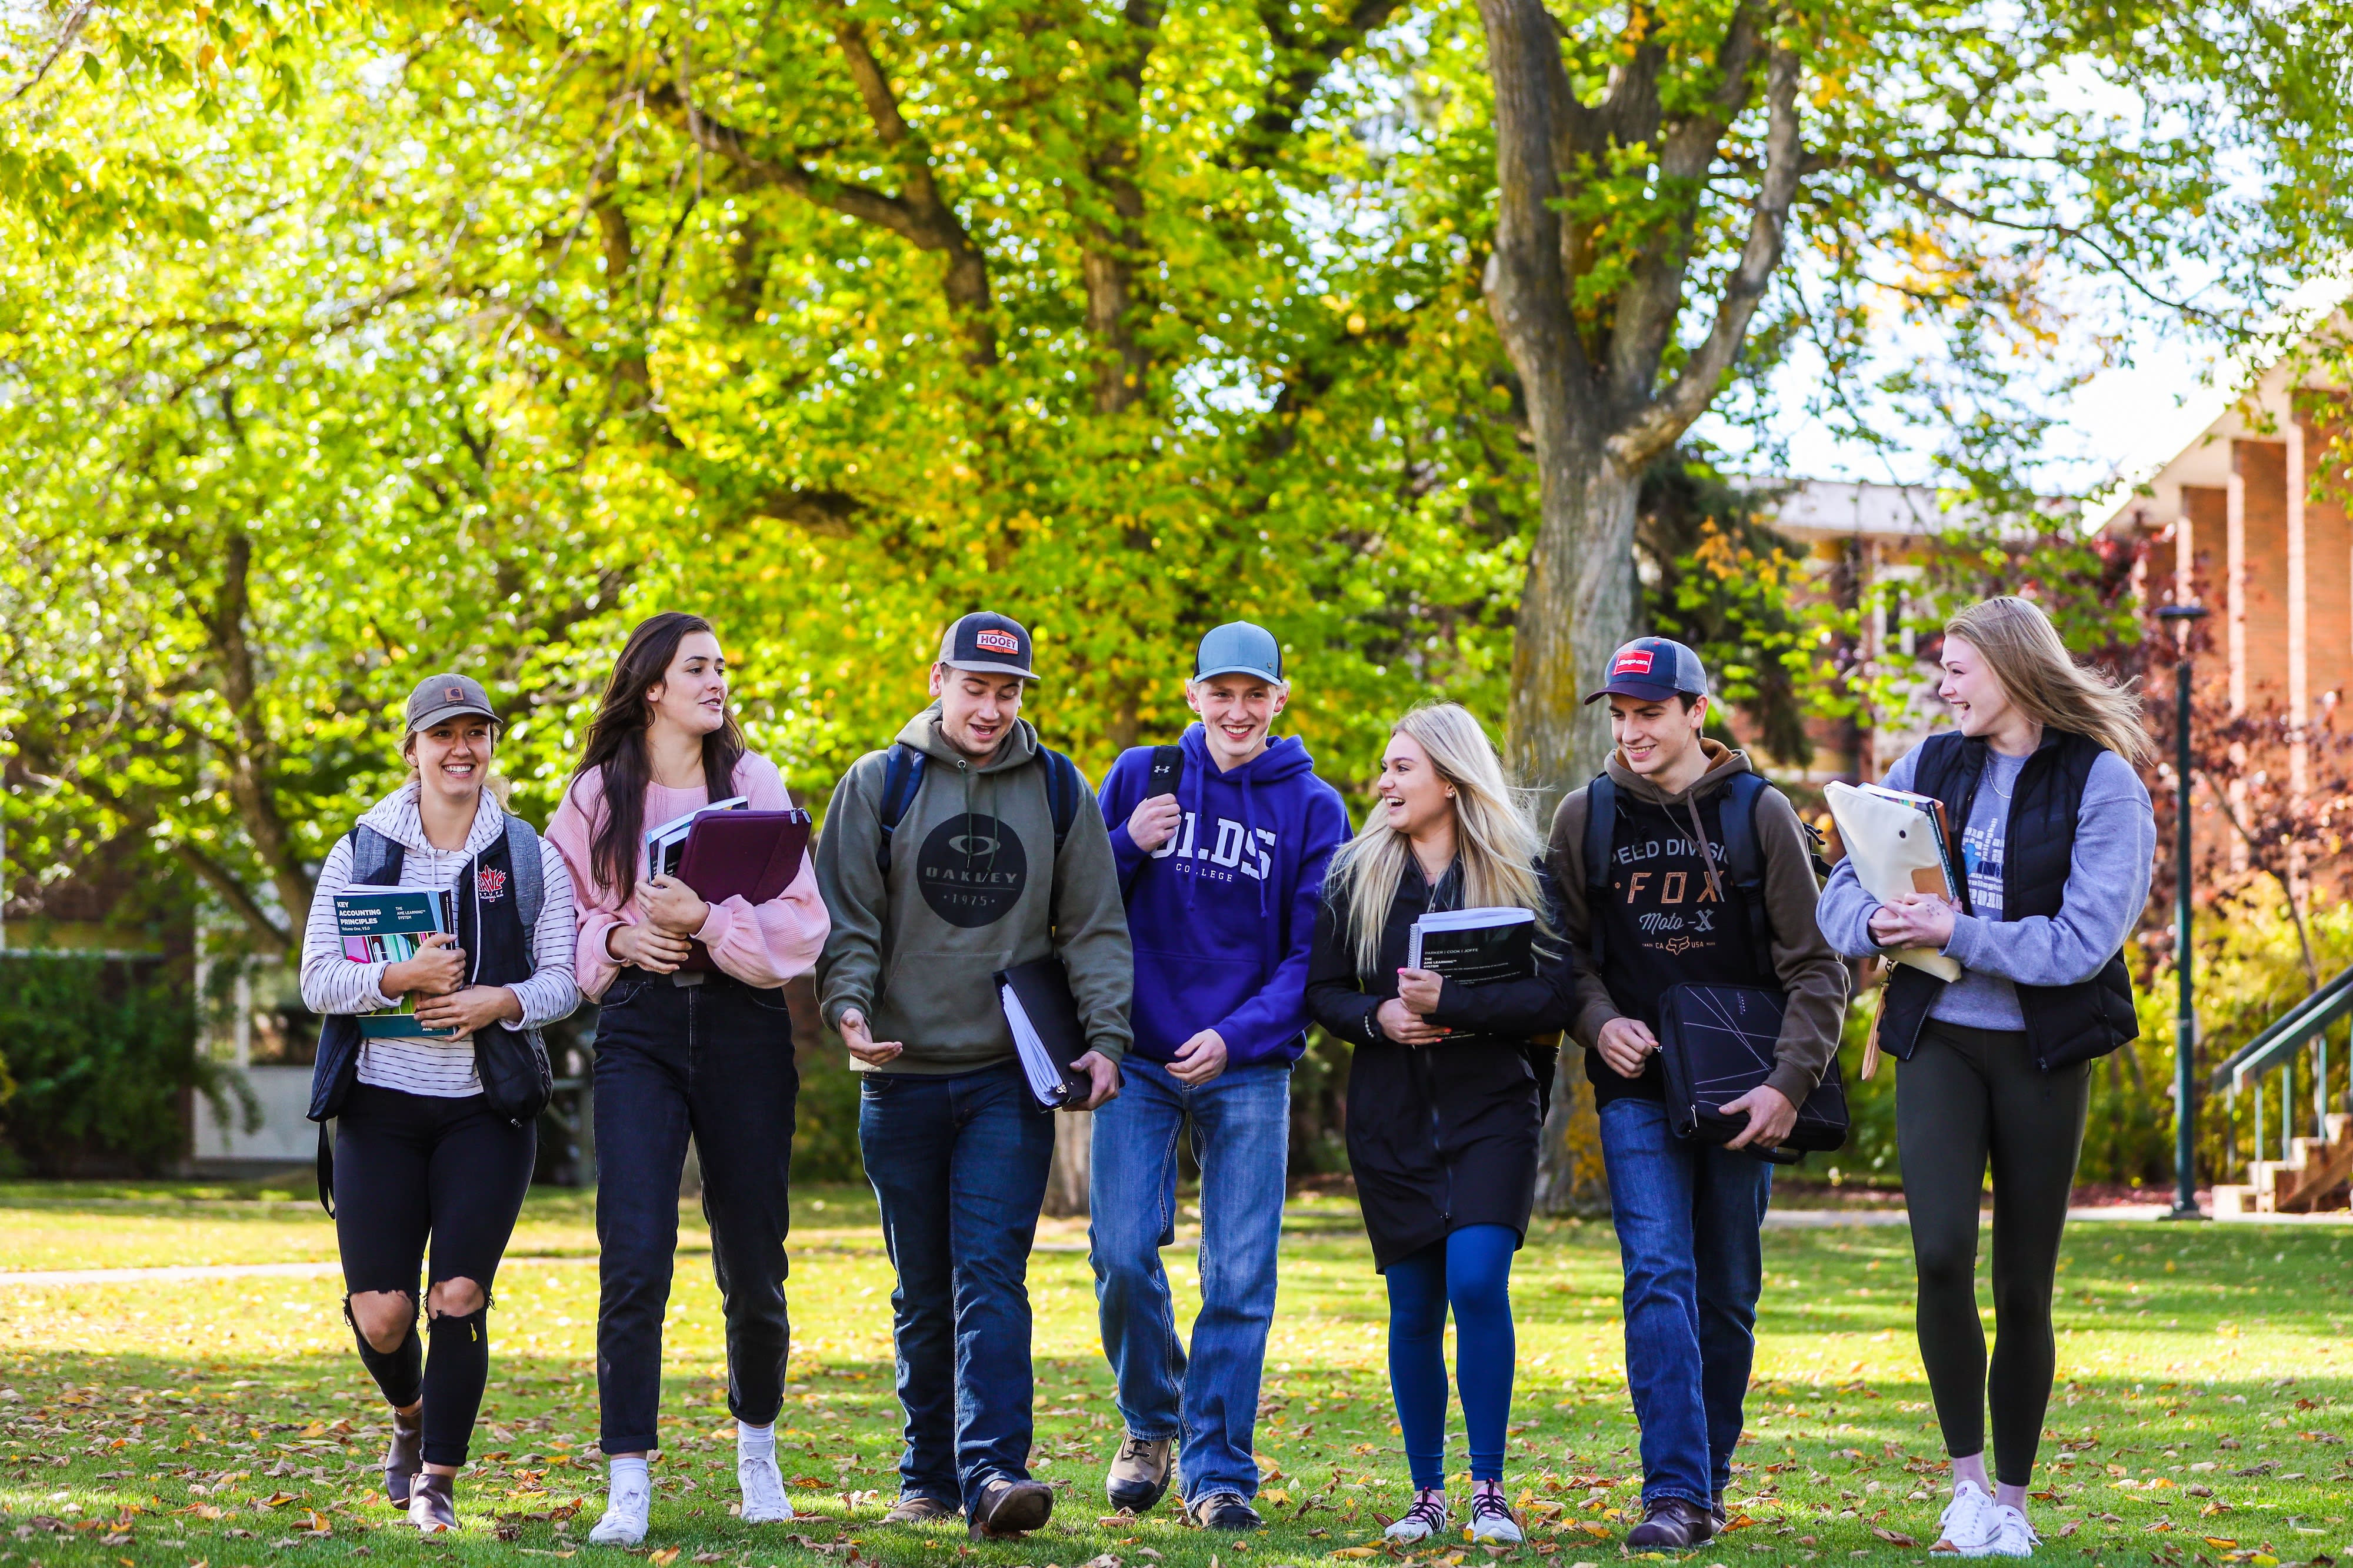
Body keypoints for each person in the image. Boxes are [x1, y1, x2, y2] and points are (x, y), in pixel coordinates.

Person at [1818, 597, 2154, 1560]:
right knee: (1938, 1256)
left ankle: (2012, 1499)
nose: (1943, 686)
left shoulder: (2101, 783)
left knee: (2024, 1281)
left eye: (1957, 669)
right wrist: (1874, 926)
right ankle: (1963, 1487)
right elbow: (1846, 888)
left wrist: (1953, 930)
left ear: (2010, 668)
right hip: (1942, 1039)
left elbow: (2085, 942)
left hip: (2046, 1049)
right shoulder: (1927, 765)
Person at [815, 612, 1134, 1540]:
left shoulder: (1059, 787)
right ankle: (927, 1475)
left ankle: (996, 1470)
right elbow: (850, 923)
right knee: (922, 1284)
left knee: (992, 1271)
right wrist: (849, 1012)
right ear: (938, 680)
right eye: (976, 687)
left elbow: (1094, 926)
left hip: (1007, 1078)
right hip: (902, 1075)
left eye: (1008, 691)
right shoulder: (880, 784)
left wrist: (1106, 1036)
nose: (991, 707)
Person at [1544, 637, 1849, 1549]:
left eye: (1650, 713)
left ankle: (1708, 1475)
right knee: (1657, 1275)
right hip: (1637, 1089)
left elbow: (1819, 967)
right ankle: (1672, 1489)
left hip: (1743, 1090)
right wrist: (1600, 1022)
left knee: (1725, 1292)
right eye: (1621, 715)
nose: (1634, 732)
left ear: (1694, 713)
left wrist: (1788, 1086)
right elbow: (1564, 956)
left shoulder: (1761, 816)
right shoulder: (1585, 817)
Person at [546, 612, 832, 1548]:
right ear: (653, 686)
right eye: (698, 667)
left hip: (745, 1030)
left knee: (754, 1260)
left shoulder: (751, 783)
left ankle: (758, 1448)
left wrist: (706, 917)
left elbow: (802, 928)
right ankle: (627, 1479)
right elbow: (566, 923)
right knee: (634, 1254)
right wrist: (622, 936)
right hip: (640, 1027)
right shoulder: (596, 794)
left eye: (722, 666)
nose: (718, 681)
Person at [300, 673, 581, 1533]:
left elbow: (566, 980)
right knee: (382, 1317)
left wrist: (500, 1001)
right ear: (413, 747)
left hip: (485, 1112)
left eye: (477, 732)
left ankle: (437, 1481)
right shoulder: (362, 850)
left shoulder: (530, 854)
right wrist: (398, 977)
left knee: (457, 1293)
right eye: (443, 734)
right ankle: (410, 1412)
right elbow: (316, 980)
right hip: (381, 1109)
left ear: (492, 744)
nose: (462, 749)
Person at [1088, 622, 1351, 1530]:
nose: (1237, 710)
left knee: (1238, 1276)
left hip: (1247, 1067)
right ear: (1192, 693)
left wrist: (1235, 1038)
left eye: (1255, 693)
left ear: (1280, 699)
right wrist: (1126, 842)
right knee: (1121, 1252)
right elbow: (1075, 906)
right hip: (1138, 1057)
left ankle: (1219, 1470)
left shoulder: (1315, 807)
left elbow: (1312, 956)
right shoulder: (1139, 776)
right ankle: (1151, 1421)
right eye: (1220, 691)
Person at [1305, 703, 1576, 1547]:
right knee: (1414, 1306)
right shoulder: (1357, 874)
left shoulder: (1522, 870)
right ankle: (1427, 1492)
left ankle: (1489, 1489)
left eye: (1402, 768)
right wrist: (1381, 1016)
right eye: (1385, 768)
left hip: (1491, 1111)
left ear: (1452, 780)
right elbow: (1323, 992)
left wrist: (1454, 1004)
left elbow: (1557, 995)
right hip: (1389, 1122)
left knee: (1475, 1281)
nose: (1384, 782)